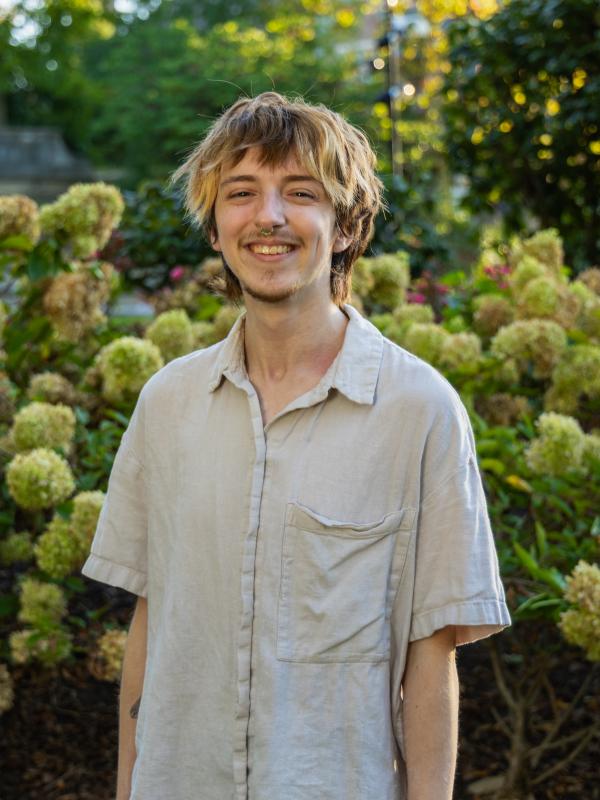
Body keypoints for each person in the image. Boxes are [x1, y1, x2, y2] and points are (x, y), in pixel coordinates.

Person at [81, 91, 510, 800]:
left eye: (301, 193)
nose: (269, 216)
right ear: (215, 228)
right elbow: (153, 623)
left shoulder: (420, 411)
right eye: (241, 193)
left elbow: (431, 659)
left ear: (345, 227)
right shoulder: (167, 404)